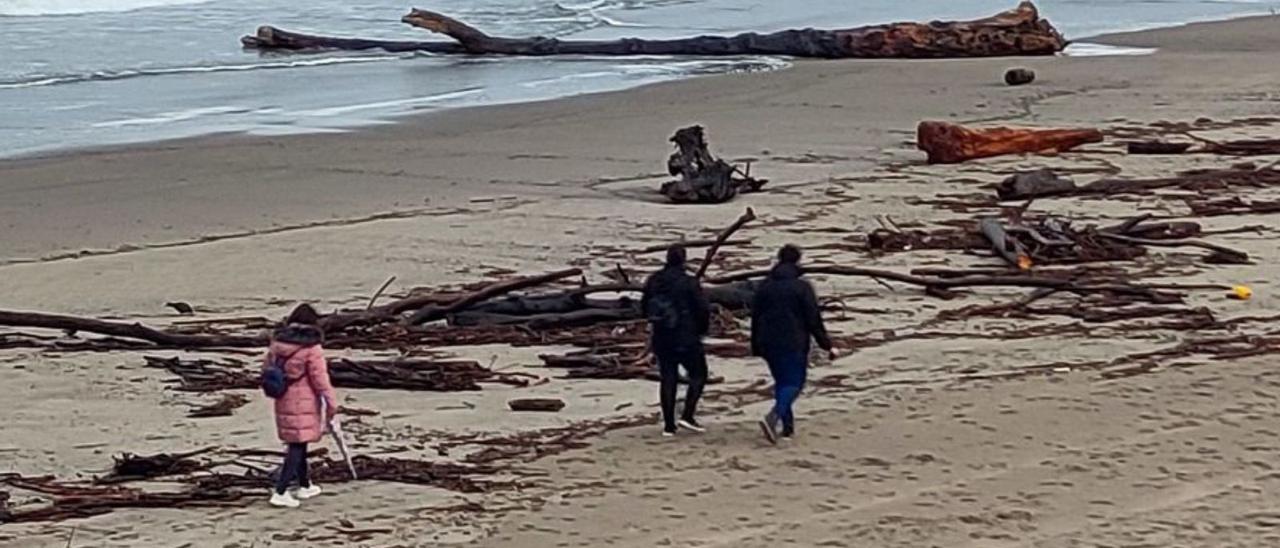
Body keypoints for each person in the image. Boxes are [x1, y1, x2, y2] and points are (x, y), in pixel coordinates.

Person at [751, 245, 836, 444]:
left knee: (782, 382)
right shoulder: (802, 287)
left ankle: (787, 429)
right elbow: (813, 319)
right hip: (793, 342)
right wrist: (827, 344)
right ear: (797, 261)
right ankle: (774, 417)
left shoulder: (765, 286)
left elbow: (756, 317)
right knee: (794, 383)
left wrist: (755, 344)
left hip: (768, 342)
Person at [265, 303, 337, 508]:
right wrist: (332, 404)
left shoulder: (277, 344)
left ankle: (305, 485)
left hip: (283, 398)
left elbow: (266, 368)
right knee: (297, 446)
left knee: (299, 442)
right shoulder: (312, 349)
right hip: (303, 401)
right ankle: (281, 491)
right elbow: (320, 380)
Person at [641, 245, 711, 437]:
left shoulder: (654, 280)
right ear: (684, 260)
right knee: (699, 374)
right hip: (687, 336)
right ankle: (687, 415)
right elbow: (702, 309)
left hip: (662, 336)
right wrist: (702, 330)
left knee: (668, 378)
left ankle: (669, 426)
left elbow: (644, 306)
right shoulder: (689, 282)